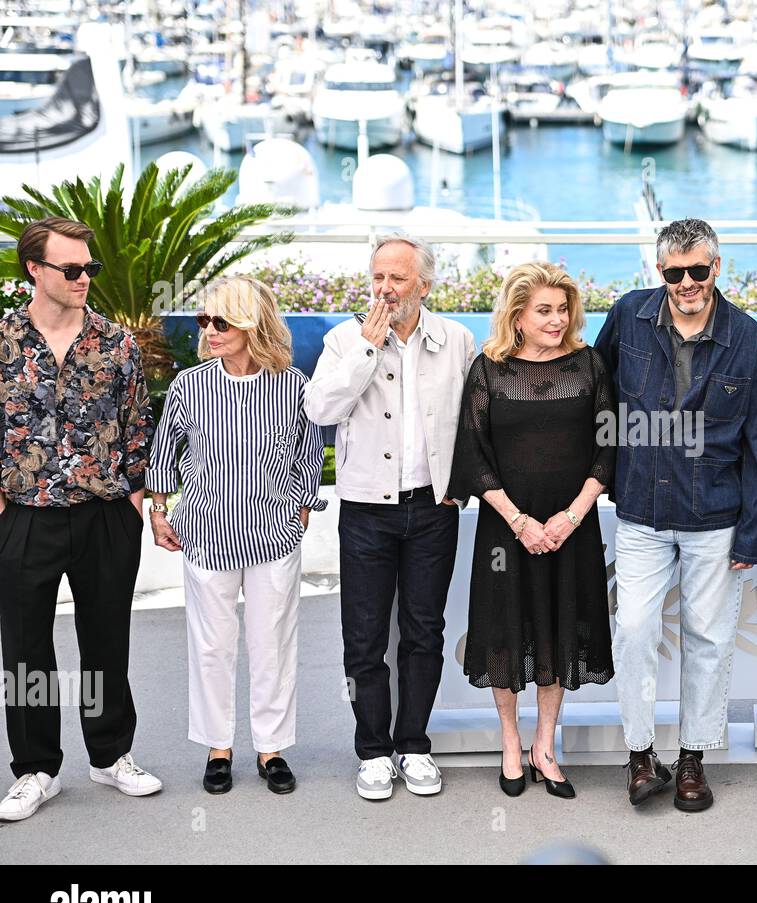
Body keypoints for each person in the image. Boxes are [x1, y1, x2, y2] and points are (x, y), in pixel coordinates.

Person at [594, 218, 757, 812]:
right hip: (642, 509)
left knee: (709, 639)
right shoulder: (628, 316)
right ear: (660, 271)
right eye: (674, 273)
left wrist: (752, 530)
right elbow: (594, 393)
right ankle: (641, 754)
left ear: (716, 267)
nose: (687, 283)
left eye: (698, 270)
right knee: (636, 630)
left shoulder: (748, 336)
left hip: (716, 516)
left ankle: (694, 757)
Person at [0, 217, 161, 823]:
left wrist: (136, 498)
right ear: (34, 271)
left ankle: (111, 754)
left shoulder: (116, 344)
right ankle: (36, 770)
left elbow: (140, 425)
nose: (84, 278)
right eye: (71, 269)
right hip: (24, 517)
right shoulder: (3, 341)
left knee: (105, 641)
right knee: (24, 649)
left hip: (103, 517)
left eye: (89, 267)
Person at [304, 234, 475, 801]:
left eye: (398, 278)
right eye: (378, 277)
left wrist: (462, 486)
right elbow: (321, 409)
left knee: (425, 632)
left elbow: (476, 420)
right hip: (364, 510)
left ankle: (414, 745)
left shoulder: (456, 340)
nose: (384, 288)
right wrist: (366, 348)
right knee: (365, 636)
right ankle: (373, 751)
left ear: (423, 286)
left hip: (433, 507)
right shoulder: (343, 339)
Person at [146, 277, 325, 795]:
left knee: (273, 643)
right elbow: (165, 451)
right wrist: (159, 509)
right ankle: (217, 746)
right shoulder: (190, 385)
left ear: (253, 325)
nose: (210, 331)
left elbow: (308, 452)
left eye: (221, 321)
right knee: (210, 646)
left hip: (273, 536)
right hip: (203, 533)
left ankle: (271, 748)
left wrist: (300, 505)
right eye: (205, 320)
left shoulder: (293, 384)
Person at [448, 262, 615, 799]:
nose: (557, 319)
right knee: (504, 631)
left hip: (572, 527)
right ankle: (510, 742)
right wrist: (520, 521)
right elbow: (471, 456)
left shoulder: (589, 365)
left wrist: (570, 517)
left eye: (563, 309)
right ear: (516, 315)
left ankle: (546, 746)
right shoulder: (488, 370)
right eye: (544, 310)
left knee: (558, 631)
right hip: (506, 531)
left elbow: (607, 446)